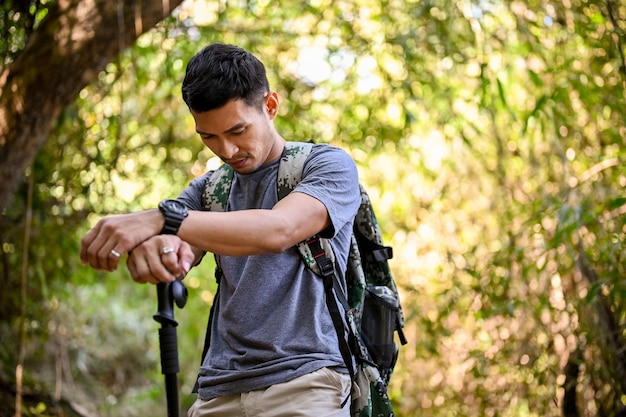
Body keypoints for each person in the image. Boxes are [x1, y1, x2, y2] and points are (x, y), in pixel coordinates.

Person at [80, 43, 361, 417]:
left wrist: (162, 219)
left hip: (306, 383)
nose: (227, 150)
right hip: (219, 389)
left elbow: (279, 229)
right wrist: (155, 252)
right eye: (208, 137)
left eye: (237, 130)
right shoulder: (208, 190)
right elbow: (175, 248)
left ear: (271, 106)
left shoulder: (328, 165)